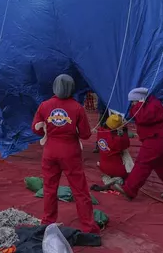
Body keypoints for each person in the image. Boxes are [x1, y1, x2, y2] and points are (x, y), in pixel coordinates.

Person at [32, 74, 99, 234]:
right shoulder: (77, 108)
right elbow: (85, 135)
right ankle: (89, 226)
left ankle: (47, 222)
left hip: (50, 151)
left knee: (49, 188)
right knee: (80, 190)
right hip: (70, 152)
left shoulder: (44, 106)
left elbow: (35, 128)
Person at [112, 88, 163, 201]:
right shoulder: (151, 104)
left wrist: (137, 105)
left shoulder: (152, 105)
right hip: (159, 139)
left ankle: (129, 189)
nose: (132, 104)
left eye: (133, 101)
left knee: (143, 163)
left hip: (156, 140)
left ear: (140, 99)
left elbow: (142, 118)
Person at [96, 114, 131, 187]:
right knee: (125, 153)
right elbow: (126, 144)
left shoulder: (100, 132)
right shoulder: (117, 140)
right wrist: (124, 131)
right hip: (118, 170)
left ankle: (109, 176)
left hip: (103, 166)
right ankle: (120, 177)